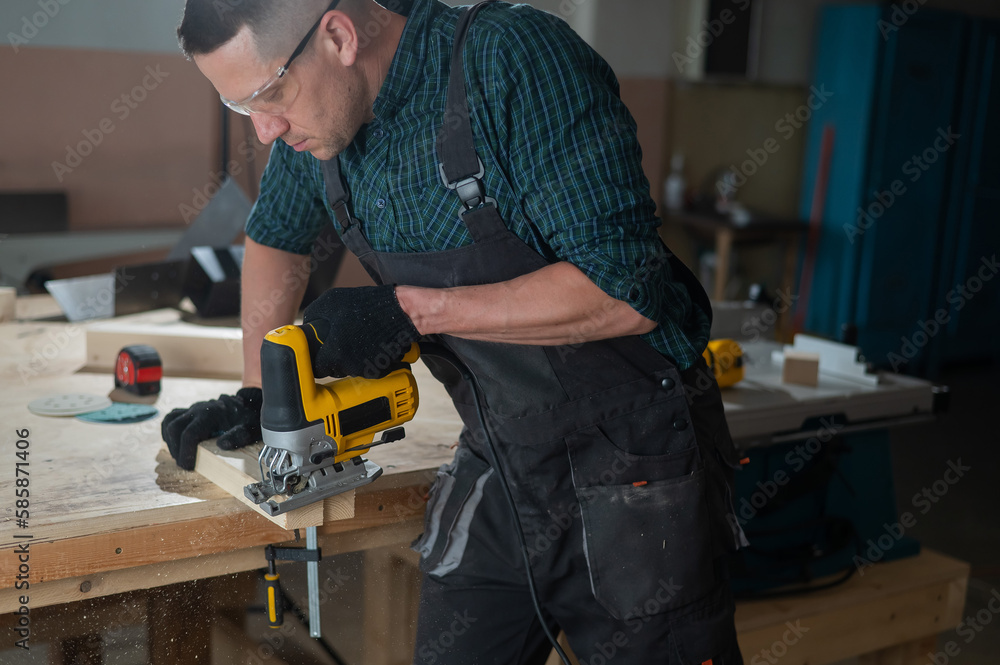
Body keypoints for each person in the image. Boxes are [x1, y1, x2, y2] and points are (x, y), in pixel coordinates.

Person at [163, 0, 747, 662]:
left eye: (269, 94)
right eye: (244, 109)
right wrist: (263, 397)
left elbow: (625, 290)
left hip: (639, 464)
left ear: (338, 36)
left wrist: (413, 312)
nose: (264, 130)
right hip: (501, 451)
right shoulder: (317, 121)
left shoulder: (512, 61)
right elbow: (276, 238)